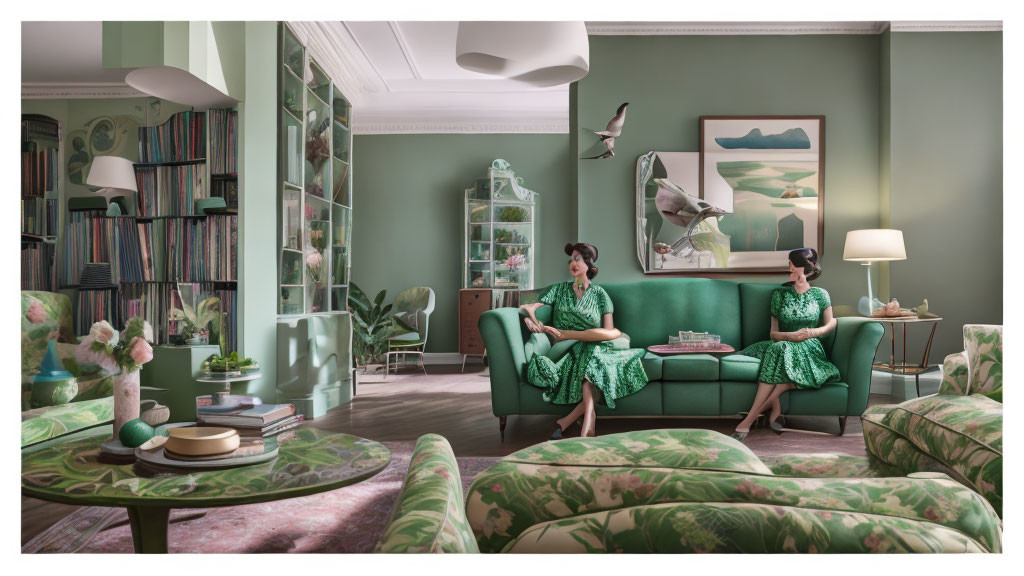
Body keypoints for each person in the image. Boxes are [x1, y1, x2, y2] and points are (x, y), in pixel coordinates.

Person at [519, 243, 648, 439]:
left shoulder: (600, 295)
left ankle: (580, 421)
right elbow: (529, 304)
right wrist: (529, 317)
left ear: (589, 263)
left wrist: (567, 333)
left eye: (577, 258)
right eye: (571, 259)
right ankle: (586, 420)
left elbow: (608, 332)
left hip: (596, 346)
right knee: (591, 359)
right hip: (566, 349)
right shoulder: (559, 290)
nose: (573, 263)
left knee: (592, 359)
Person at [732, 248, 840, 441]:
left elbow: (832, 322)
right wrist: (792, 336)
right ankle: (772, 404)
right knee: (778, 347)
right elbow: (773, 333)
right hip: (783, 341)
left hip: (810, 344)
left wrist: (812, 332)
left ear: (807, 267)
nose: (788, 266)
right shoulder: (779, 294)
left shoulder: (820, 294)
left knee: (779, 350)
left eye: (792, 262)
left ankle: (750, 418)